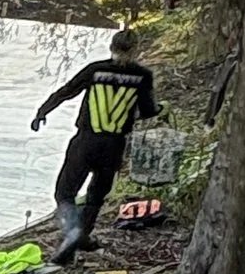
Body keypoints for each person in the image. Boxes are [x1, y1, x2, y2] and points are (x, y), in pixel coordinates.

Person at [32, 29, 159, 262]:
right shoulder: (143, 76)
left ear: (111, 47)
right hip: (114, 145)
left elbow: (67, 91)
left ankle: (73, 231)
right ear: (136, 49)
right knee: (96, 196)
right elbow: (149, 110)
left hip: (86, 141)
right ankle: (81, 237)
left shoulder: (95, 70)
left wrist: (43, 112)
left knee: (64, 193)